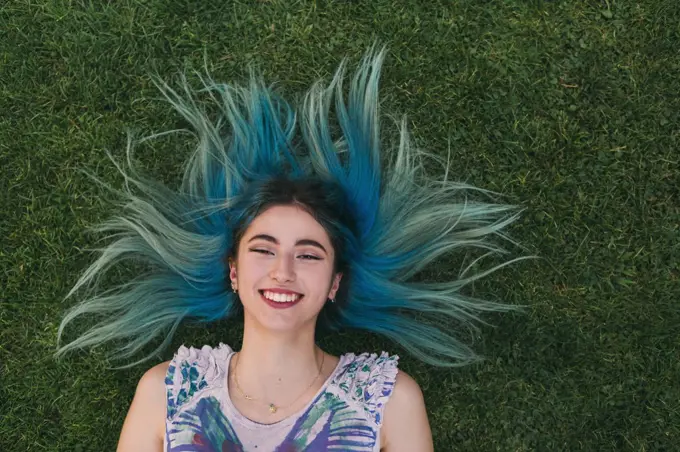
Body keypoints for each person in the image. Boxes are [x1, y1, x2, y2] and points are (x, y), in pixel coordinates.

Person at [55, 44, 533, 451]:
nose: (283, 270)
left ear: (334, 282)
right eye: (263, 250)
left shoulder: (386, 400)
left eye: (308, 254)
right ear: (234, 271)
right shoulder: (169, 391)